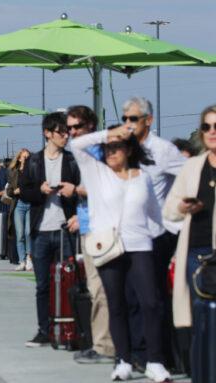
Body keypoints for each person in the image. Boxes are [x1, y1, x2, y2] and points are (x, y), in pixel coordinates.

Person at [71, 125, 171, 382]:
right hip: (109, 246)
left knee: (150, 302)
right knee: (117, 304)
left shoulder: (142, 177)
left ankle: (155, 361)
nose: (112, 152)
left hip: (140, 245)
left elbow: (155, 214)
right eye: (108, 149)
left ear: (128, 150)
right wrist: (109, 134)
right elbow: (77, 144)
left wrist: (167, 236)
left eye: (117, 147)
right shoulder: (97, 172)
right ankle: (123, 360)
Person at [123, 97, 187, 370]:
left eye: (133, 119)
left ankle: (157, 354)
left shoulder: (163, 150)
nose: (128, 124)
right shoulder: (123, 149)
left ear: (148, 120)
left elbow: (189, 179)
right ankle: (138, 352)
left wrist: (175, 221)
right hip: (125, 233)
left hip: (154, 236)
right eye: (125, 118)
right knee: (130, 296)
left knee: (151, 298)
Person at [164, 105, 216, 377]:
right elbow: (169, 209)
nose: (211, 132)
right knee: (199, 322)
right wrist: (184, 206)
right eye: (206, 127)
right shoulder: (192, 167)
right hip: (196, 253)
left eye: (215, 127)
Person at [20, 112, 80, 347]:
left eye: (67, 132)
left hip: (66, 229)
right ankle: (44, 330)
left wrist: (73, 192)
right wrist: (40, 190)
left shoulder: (72, 160)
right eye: (60, 132)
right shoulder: (34, 161)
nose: (66, 136)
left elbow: (83, 190)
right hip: (41, 230)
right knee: (42, 284)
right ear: (47, 133)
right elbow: (23, 192)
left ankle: (69, 330)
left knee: (70, 282)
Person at [65, 105, 115, 364]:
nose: (72, 132)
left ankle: (104, 344)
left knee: (100, 288)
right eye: (70, 128)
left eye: (77, 127)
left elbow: (108, 190)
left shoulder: (99, 152)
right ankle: (101, 341)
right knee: (96, 287)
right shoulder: (87, 151)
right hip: (87, 224)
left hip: (101, 229)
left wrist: (77, 190)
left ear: (91, 127)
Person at [6, 149, 33, 271]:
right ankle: (22, 260)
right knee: (20, 234)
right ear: (19, 159)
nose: (25, 159)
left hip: (31, 204)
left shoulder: (34, 172)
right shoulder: (14, 172)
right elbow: (8, 191)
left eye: (28, 157)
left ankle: (29, 258)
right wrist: (14, 192)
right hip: (19, 204)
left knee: (28, 232)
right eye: (23, 157)